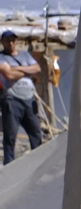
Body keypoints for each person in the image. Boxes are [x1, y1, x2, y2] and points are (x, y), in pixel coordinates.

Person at [0, 30, 43, 164]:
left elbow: (37, 68)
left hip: (28, 98)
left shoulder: (25, 55)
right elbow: (9, 75)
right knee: (10, 135)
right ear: (3, 42)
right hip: (12, 99)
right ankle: (9, 164)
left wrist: (17, 69)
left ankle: (38, 162)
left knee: (36, 132)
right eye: (8, 41)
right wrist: (27, 70)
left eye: (13, 40)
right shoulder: (1, 57)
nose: (11, 43)